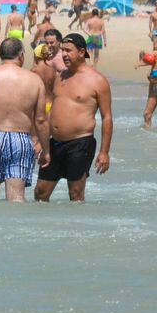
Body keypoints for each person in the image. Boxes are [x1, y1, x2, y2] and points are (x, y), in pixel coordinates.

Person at [35, 33, 113, 202]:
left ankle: (76, 228)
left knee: (75, 195)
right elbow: (52, 111)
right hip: (54, 143)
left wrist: (104, 152)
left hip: (80, 143)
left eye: (68, 50)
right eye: (62, 50)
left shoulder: (98, 81)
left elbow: (107, 118)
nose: (63, 54)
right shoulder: (61, 76)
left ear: (81, 52)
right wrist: (40, 141)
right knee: (40, 193)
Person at [0, 38, 48, 202]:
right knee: (16, 198)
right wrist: (46, 149)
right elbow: (41, 120)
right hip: (19, 138)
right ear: (21, 56)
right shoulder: (34, 80)